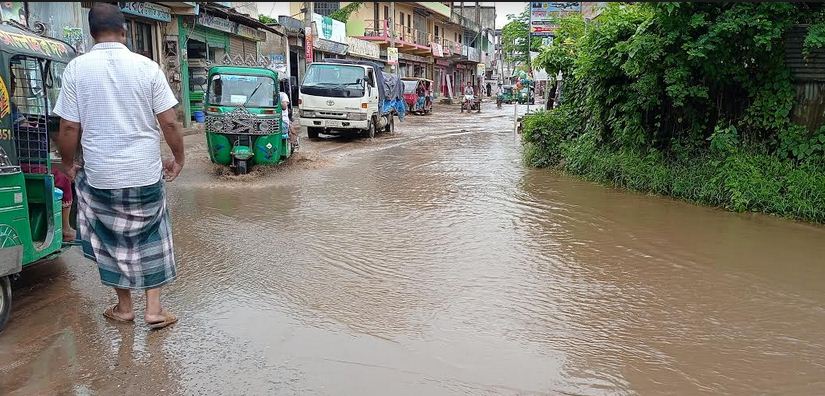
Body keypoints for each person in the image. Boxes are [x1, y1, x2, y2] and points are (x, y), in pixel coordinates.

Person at [53, 3, 184, 330]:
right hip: (144, 170)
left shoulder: (77, 69)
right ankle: (154, 309)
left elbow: (68, 128)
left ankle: (124, 307)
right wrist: (178, 158)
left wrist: (67, 164)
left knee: (109, 240)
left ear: (91, 33)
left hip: (100, 174)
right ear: (125, 31)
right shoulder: (147, 67)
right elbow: (169, 123)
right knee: (153, 235)